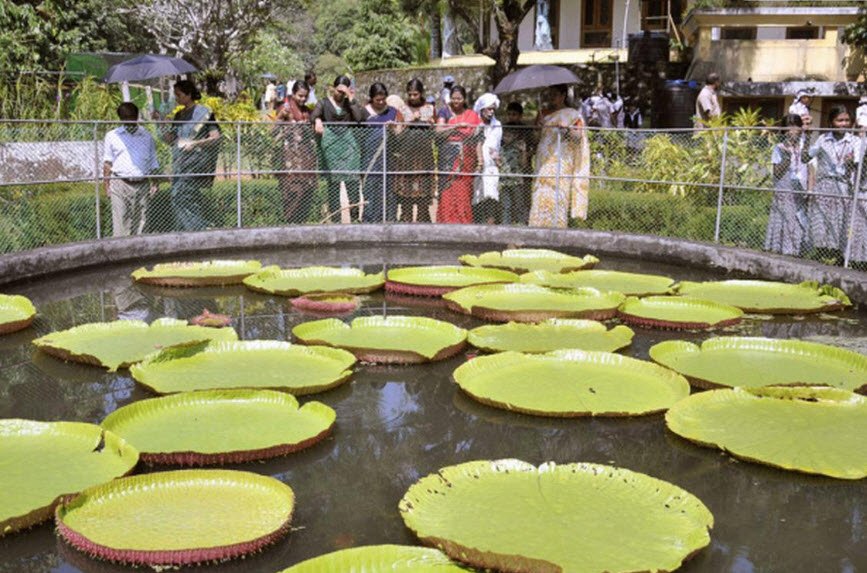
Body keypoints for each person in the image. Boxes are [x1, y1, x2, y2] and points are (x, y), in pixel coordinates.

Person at [155, 80, 221, 232]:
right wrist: (161, 123)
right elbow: (172, 139)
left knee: (180, 196)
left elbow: (215, 137)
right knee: (184, 199)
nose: (176, 98)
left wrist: (196, 144)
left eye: (179, 95)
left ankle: (199, 230)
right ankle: (191, 233)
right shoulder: (179, 114)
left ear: (189, 94)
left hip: (196, 163)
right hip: (180, 162)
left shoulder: (204, 113)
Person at [529, 84, 590, 228]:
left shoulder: (572, 114)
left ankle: (558, 229)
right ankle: (536, 229)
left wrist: (567, 129)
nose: (551, 97)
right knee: (540, 193)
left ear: (563, 96)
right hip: (543, 161)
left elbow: (578, 137)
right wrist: (538, 128)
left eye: (555, 94)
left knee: (558, 194)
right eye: (550, 94)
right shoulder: (543, 113)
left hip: (562, 161)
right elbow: (535, 139)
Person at [807, 105, 861, 262]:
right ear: (831, 122)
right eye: (839, 120)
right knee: (821, 218)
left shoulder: (855, 140)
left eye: (846, 120)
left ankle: (836, 253)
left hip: (843, 185)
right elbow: (808, 158)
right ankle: (820, 251)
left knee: (840, 220)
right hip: (824, 184)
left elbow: (859, 165)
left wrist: (851, 162)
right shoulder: (823, 139)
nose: (844, 124)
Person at [311, 75, 363, 222]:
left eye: (343, 91)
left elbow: (359, 119)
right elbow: (313, 115)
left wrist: (351, 98)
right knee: (333, 186)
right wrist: (318, 119)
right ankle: (335, 220)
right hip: (331, 149)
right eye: (338, 90)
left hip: (349, 149)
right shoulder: (324, 103)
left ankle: (354, 219)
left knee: (352, 184)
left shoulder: (349, 104)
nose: (340, 94)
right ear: (333, 88)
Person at [102, 102, 159, 237]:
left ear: (137, 116)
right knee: (121, 220)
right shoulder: (112, 136)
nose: (129, 120)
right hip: (120, 183)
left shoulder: (146, 136)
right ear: (121, 119)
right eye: (125, 118)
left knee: (142, 220)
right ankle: (121, 252)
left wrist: (155, 182)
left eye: (132, 117)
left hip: (142, 183)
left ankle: (140, 250)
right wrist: (106, 185)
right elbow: (107, 162)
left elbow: (153, 161)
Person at [764, 114, 809, 256]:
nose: (791, 131)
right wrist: (787, 159)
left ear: (800, 129)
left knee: (798, 219)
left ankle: (796, 249)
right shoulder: (779, 148)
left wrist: (810, 188)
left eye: (795, 126)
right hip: (784, 188)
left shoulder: (805, 147)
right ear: (783, 131)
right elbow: (776, 172)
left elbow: (811, 166)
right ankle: (781, 248)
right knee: (783, 218)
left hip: (800, 187)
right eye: (788, 127)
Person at [436, 85, 481, 224]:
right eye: (454, 98)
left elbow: (477, 137)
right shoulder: (444, 112)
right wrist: (456, 126)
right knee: (447, 192)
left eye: (459, 98)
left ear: (464, 99)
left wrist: (480, 160)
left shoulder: (472, 115)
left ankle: (463, 222)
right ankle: (446, 222)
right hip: (449, 158)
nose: (456, 101)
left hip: (466, 160)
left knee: (463, 193)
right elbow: (438, 131)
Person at [392, 78, 436, 222]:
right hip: (406, 157)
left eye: (415, 94)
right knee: (406, 194)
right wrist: (410, 121)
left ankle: (423, 220)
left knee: (423, 191)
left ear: (421, 93)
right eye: (410, 94)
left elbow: (436, 135)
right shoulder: (402, 110)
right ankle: (406, 219)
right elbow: (397, 134)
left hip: (424, 157)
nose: (412, 97)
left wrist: (431, 125)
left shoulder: (429, 109)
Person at [273, 80, 317, 224]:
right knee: (292, 190)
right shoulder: (285, 108)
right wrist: (280, 118)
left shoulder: (307, 111)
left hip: (306, 156)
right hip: (290, 157)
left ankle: (302, 223)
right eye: (300, 96)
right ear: (293, 94)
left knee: (307, 189)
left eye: (305, 96)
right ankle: (289, 223)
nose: (303, 99)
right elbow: (272, 132)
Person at [360, 82, 403, 223]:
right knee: (371, 189)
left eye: (383, 99)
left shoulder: (392, 112)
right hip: (369, 158)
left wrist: (393, 128)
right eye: (377, 100)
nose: (381, 102)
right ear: (371, 98)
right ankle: (370, 221)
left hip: (388, 157)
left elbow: (399, 133)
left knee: (388, 190)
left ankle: (389, 220)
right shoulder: (364, 112)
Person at [500, 101, 532, 225]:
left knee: (522, 202)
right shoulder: (503, 128)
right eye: (509, 114)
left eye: (514, 114)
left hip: (523, 171)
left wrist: (523, 152)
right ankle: (506, 226)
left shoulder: (526, 130)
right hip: (507, 170)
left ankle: (522, 225)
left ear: (520, 115)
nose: (511, 117)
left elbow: (532, 148)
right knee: (506, 205)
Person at [473, 93, 502, 224]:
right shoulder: (476, 124)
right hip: (477, 165)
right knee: (477, 195)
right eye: (488, 109)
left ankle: (491, 225)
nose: (491, 112)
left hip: (491, 166)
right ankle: (477, 224)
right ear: (482, 108)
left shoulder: (497, 125)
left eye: (493, 109)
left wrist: (496, 158)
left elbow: (497, 144)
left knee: (491, 195)